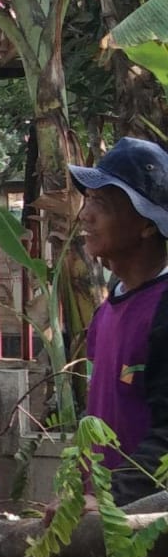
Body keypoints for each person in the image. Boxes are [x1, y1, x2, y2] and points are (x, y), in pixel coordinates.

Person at [69, 136, 168, 508]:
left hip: (143, 538)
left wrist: (113, 498)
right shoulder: (108, 309)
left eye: (102, 204)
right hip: (98, 532)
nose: (84, 215)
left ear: (146, 225)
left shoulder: (163, 310)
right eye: (88, 201)